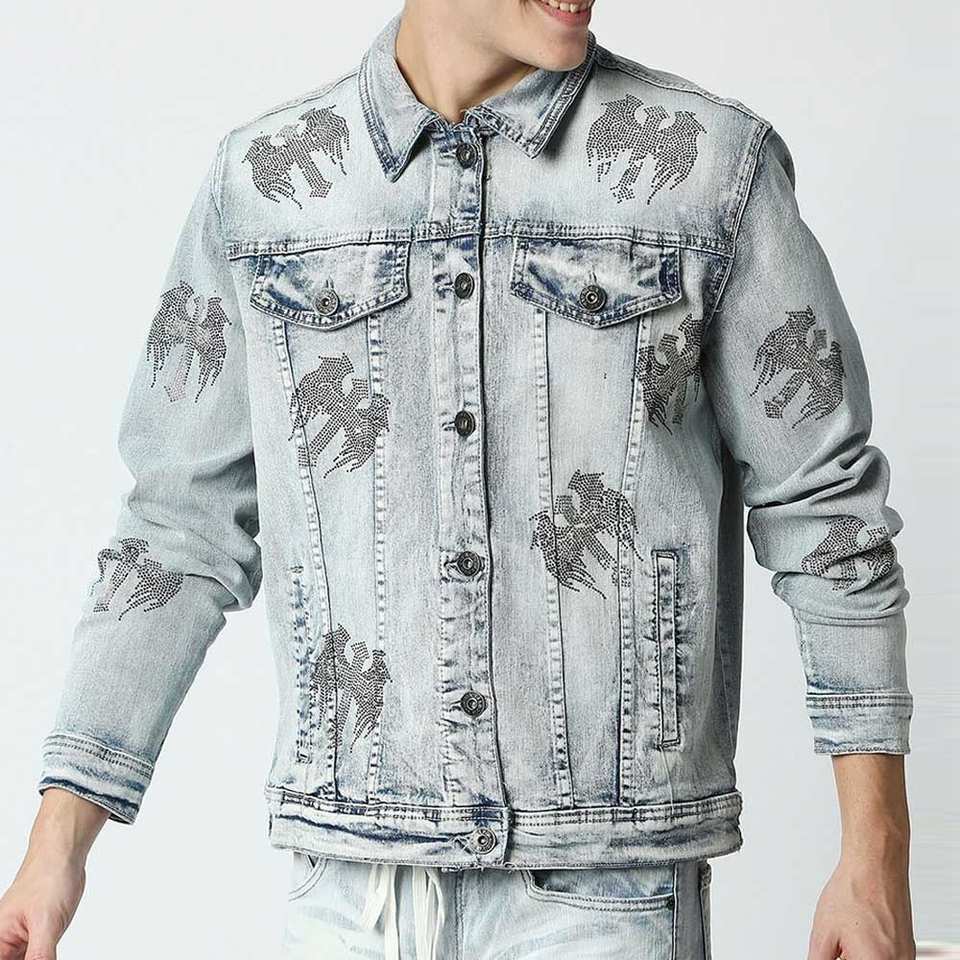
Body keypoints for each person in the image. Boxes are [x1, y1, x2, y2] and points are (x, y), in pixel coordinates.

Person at [0, 1, 916, 958]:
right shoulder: (262, 190)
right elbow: (176, 528)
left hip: (605, 897)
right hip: (347, 900)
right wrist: (56, 847)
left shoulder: (712, 171)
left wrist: (876, 857)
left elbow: (825, 508)